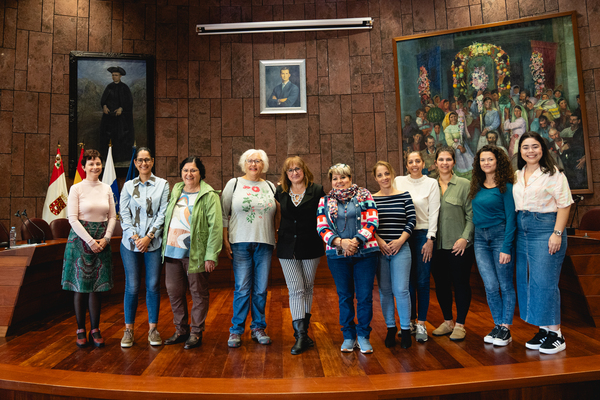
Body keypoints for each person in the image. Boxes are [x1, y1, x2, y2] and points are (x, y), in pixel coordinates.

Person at [514, 132, 573, 354]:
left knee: (545, 281)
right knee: (529, 281)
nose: (530, 151)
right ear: (520, 151)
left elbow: (565, 204)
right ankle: (544, 329)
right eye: (526, 147)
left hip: (545, 228)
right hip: (523, 229)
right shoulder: (517, 175)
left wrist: (557, 233)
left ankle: (557, 334)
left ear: (542, 149)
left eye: (535, 146)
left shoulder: (554, 174)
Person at [316, 163, 380, 353]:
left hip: (365, 254)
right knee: (345, 296)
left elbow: (373, 220)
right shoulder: (324, 201)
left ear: (350, 178)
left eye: (343, 177)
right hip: (337, 256)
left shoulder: (365, 195)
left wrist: (356, 241)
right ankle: (349, 336)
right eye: (335, 178)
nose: (339, 181)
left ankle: (363, 336)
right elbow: (321, 227)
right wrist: (340, 243)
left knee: (364, 297)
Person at [161, 156, 223, 350]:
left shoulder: (209, 195)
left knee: (198, 293)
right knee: (174, 292)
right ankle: (181, 330)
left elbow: (215, 227)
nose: (189, 174)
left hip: (196, 253)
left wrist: (211, 255)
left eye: (193, 170)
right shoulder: (177, 190)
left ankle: (196, 332)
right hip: (172, 251)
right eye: (185, 170)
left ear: (200, 173)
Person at [222, 149, 278, 348]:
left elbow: (277, 212)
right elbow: (224, 214)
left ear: (264, 165)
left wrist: (276, 233)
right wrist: (225, 239)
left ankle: (258, 328)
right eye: (250, 161)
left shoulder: (270, 186)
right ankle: (236, 330)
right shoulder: (234, 184)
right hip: (240, 242)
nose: (254, 164)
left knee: (261, 289)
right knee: (242, 289)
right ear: (243, 163)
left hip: (265, 242)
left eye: (258, 161)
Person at [61, 149, 117, 348]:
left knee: (96, 287)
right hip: (80, 240)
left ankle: (95, 328)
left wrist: (106, 238)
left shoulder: (107, 188)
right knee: (80, 287)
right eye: (91, 164)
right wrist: (91, 241)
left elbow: (112, 217)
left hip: (103, 240)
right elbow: (72, 219)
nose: (95, 167)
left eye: (98, 163)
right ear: (84, 167)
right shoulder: (76, 188)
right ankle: (80, 329)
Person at [119, 147, 170, 348]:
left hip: (153, 243)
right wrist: (135, 237)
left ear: (152, 161)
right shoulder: (128, 186)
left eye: (147, 160)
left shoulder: (163, 185)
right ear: (135, 163)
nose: (143, 163)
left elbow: (163, 213)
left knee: (153, 285)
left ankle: (153, 329)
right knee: (132, 286)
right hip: (130, 243)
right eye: (140, 160)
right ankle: (128, 330)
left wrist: (148, 237)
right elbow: (123, 213)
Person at [275, 156, 325, 355]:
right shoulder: (280, 192)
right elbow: (276, 216)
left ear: (304, 170)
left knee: (308, 288)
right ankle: (300, 336)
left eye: (297, 169)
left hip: (311, 244)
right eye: (290, 170)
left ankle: (304, 333)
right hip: (287, 246)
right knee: (296, 289)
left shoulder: (317, 190)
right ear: (286, 174)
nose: (294, 173)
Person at [469, 145, 516, 346]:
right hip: (480, 239)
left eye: (490, 159)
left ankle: (506, 327)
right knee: (490, 285)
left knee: (505, 284)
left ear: (498, 161)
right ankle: (498, 325)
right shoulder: (476, 186)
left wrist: (506, 247)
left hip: (500, 236)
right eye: (482, 160)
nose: (486, 163)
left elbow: (511, 219)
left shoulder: (506, 187)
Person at [395, 152, 440, 343]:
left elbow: (434, 212)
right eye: (410, 162)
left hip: (423, 235)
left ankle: (421, 323)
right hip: (403, 236)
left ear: (423, 163)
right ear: (406, 165)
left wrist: (430, 239)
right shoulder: (398, 181)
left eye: (417, 161)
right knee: (407, 282)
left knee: (422, 281)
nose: (414, 164)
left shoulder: (431, 183)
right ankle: (410, 322)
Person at [431, 146, 474, 342]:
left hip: (459, 246)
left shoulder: (464, 184)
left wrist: (465, 238)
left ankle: (460, 324)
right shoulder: (430, 186)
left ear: (454, 162)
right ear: (435, 163)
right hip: (436, 246)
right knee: (441, 285)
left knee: (461, 284)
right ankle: (448, 321)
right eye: (441, 159)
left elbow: (471, 215)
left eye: (448, 159)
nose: (444, 163)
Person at [372, 161, 415, 348]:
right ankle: (390, 328)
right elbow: (368, 224)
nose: (384, 178)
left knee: (401, 290)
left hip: (401, 249)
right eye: (380, 175)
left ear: (392, 174)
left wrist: (400, 241)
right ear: (376, 178)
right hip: (380, 250)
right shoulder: (371, 199)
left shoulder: (404, 196)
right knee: (385, 291)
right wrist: (380, 242)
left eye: (387, 173)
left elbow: (411, 220)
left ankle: (405, 330)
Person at [100, 66, 134, 163]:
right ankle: (107, 157)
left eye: (116, 75)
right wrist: (104, 106)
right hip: (108, 117)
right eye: (113, 75)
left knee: (120, 136)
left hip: (121, 119)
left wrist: (121, 108)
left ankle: (120, 158)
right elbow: (103, 100)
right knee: (107, 136)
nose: (114, 77)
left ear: (120, 76)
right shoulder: (109, 87)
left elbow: (129, 102)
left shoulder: (125, 88)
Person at [444, 111, 474, 179]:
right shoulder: (448, 129)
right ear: (449, 119)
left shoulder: (460, 124)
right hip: (456, 149)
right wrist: (459, 147)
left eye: (455, 116)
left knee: (469, 161)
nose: (453, 118)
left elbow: (469, 121)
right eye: (451, 117)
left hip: (464, 145)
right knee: (460, 164)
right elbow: (449, 141)